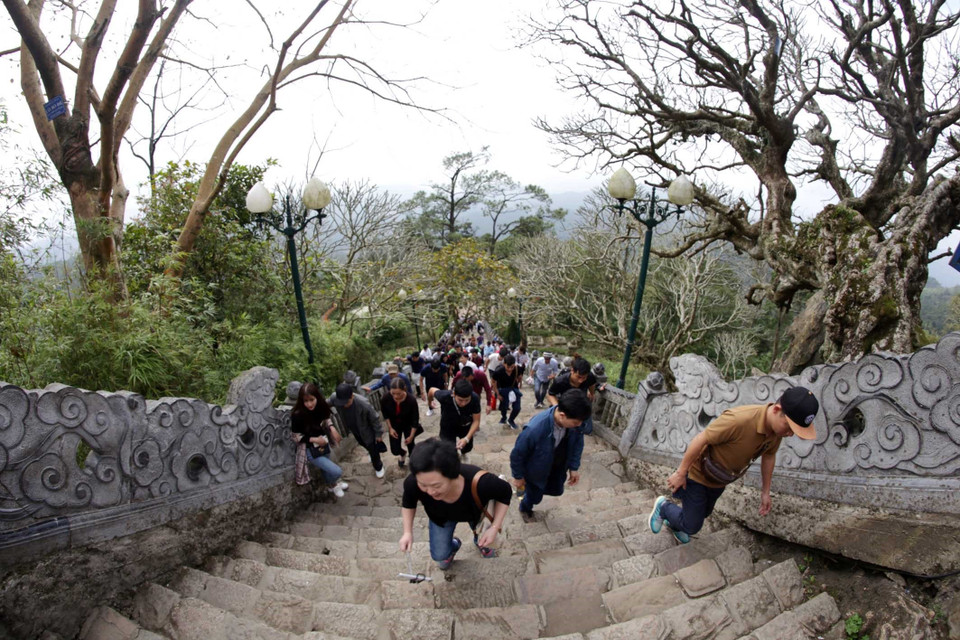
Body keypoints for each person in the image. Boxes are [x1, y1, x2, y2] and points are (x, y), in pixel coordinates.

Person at [650, 386, 820, 544]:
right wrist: (680, 473)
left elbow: (769, 456)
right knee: (693, 525)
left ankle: (676, 524)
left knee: (704, 513)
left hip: (720, 479)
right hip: (699, 473)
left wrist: (765, 491)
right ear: (776, 410)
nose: (790, 434)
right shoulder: (739, 420)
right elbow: (702, 439)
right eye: (790, 427)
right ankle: (664, 507)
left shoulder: (776, 432)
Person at [399, 438, 511, 569]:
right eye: (423, 485)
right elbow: (408, 503)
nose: (430, 492)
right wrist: (407, 532)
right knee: (440, 556)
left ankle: (479, 540)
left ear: (453, 475)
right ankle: (454, 545)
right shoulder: (413, 482)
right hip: (440, 517)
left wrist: (494, 528)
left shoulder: (482, 483)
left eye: (436, 486)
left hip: (475, 512)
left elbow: (505, 493)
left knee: (483, 534)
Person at [510, 389, 593, 519]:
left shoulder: (575, 426)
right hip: (535, 470)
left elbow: (577, 444)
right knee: (535, 496)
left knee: (556, 489)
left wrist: (574, 467)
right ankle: (525, 506)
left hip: (557, 465)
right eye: (576, 422)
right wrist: (518, 476)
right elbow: (517, 454)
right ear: (562, 415)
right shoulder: (534, 430)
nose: (580, 425)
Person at [290, 383, 349, 497]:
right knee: (337, 471)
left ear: (317, 397)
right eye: (306, 401)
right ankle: (333, 484)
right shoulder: (298, 415)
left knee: (326, 469)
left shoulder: (320, 407)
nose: (309, 404)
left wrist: (332, 429)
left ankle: (332, 485)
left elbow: (326, 418)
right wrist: (314, 439)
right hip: (310, 449)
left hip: (324, 443)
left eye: (312, 400)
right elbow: (296, 436)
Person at [328, 383, 387, 479]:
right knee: (362, 443)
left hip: (367, 430)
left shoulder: (363, 404)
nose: (344, 405)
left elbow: (375, 419)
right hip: (354, 429)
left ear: (352, 396)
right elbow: (326, 403)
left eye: (346, 402)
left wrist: (378, 434)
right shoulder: (335, 398)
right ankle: (371, 453)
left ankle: (378, 467)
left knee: (373, 449)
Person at [429, 379, 482, 459]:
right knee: (448, 449)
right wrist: (430, 403)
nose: (463, 403)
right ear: (453, 394)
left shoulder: (475, 399)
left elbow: (476, 421)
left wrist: (466, 439)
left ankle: (464, 453)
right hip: (447, 425)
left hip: (465, 424)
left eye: (467, 400)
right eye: (460, 400)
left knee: (467, 447)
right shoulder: (444, 396)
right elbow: (431, 390)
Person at [547, 357, 601, 435]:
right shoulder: (560, 381)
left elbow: (592, 384)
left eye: (584, 378)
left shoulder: (589, 377)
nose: (581, 380)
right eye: (578, 377)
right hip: (567, 406)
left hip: (582, 405)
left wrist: (592, 393)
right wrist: (558, 407)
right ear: (572, 371)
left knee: (587, 429)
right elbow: (551, 394)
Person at [381, 377, 423, 469]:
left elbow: (415, 419)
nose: (396, 396)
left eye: (398, 393)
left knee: (411, 445)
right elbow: (385, 414)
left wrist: (411, 436)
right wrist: (390, 428)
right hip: (394, 425)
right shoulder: (386, 398)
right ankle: (403, 453)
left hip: (408, 424)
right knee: (395, 450)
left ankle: (413, 463)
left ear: (404, 389)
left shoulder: (411, 400)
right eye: (393, 393)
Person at [490, 354, 523, 430]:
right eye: (508, 367)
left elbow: (519, 377)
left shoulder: (517, 369)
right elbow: (493, 382)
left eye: (512, 367)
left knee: (517, 408)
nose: (510, 369)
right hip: (503, 389)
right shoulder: (499, 371)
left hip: (514, 389)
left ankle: (511, 420)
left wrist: (519, 382)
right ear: (504, 364)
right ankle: (504, 417)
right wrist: (497, 394)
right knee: (503, 407)